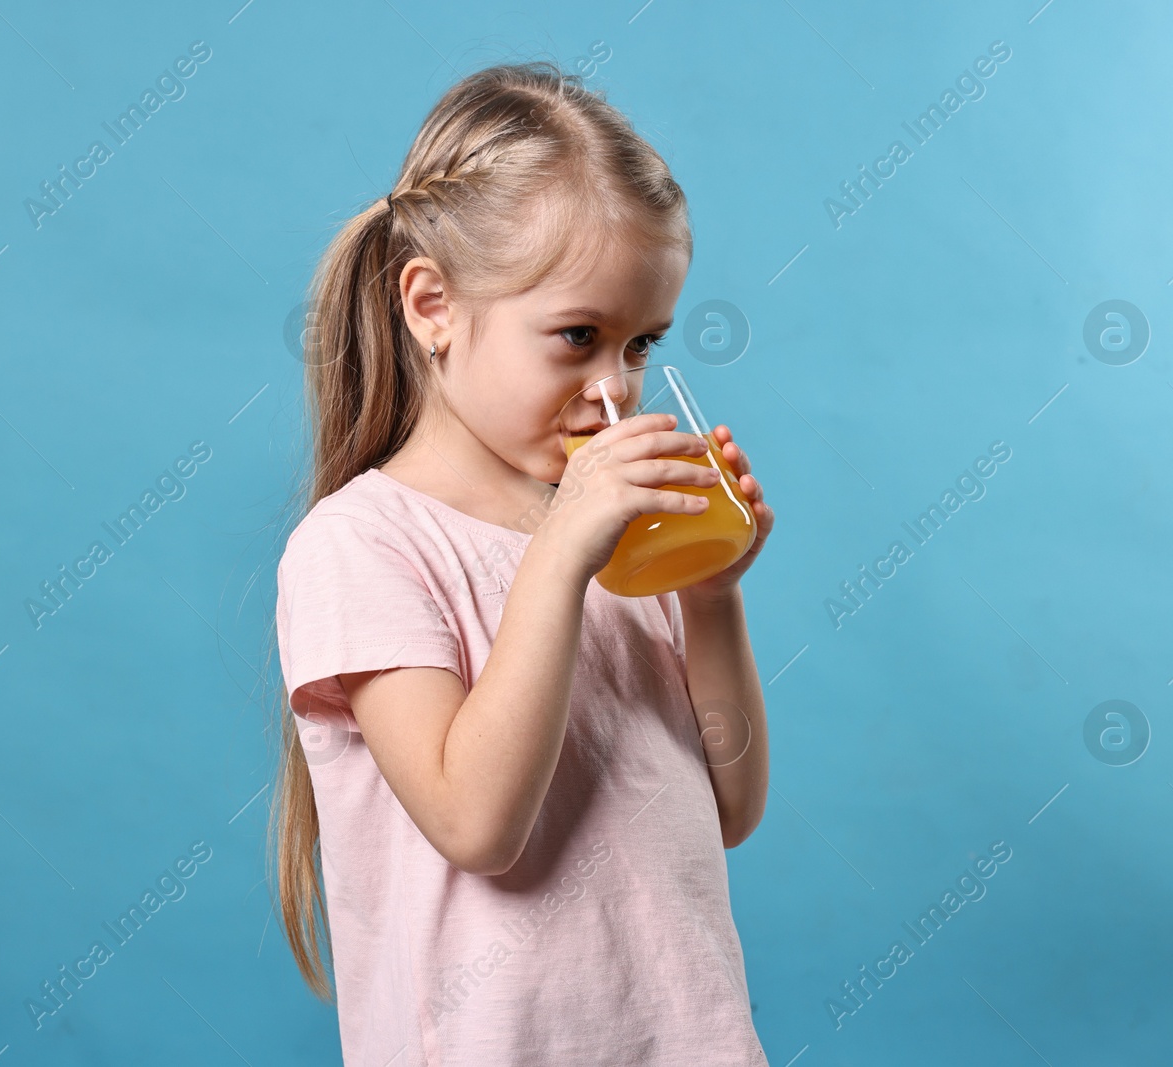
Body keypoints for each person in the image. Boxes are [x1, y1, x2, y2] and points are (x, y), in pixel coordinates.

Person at [269, 59, 776, 1065]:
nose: (613, 396)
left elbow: (731, 805)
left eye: (639, 346)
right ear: (431, 306)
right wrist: (560, 556)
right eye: (577, 337)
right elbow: (475, 820)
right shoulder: (362, 543)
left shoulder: (619, 542)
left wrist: (712, 601)